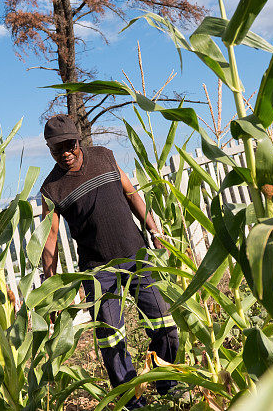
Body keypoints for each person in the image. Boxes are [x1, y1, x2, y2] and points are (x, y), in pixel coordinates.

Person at [39, 114, 179, 409]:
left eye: (69, 145)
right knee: (111, 340)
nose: (65, 153)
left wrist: (154, 230)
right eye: (56, 149)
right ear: (50, 150)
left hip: (136, 256)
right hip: (97, 271)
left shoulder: (104, 156)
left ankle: (167, 384)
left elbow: (131, 193)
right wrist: (50, 290)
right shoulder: (51, 189)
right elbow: (49, 242)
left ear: (78, 140)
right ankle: (131, 400)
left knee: (164, 325)